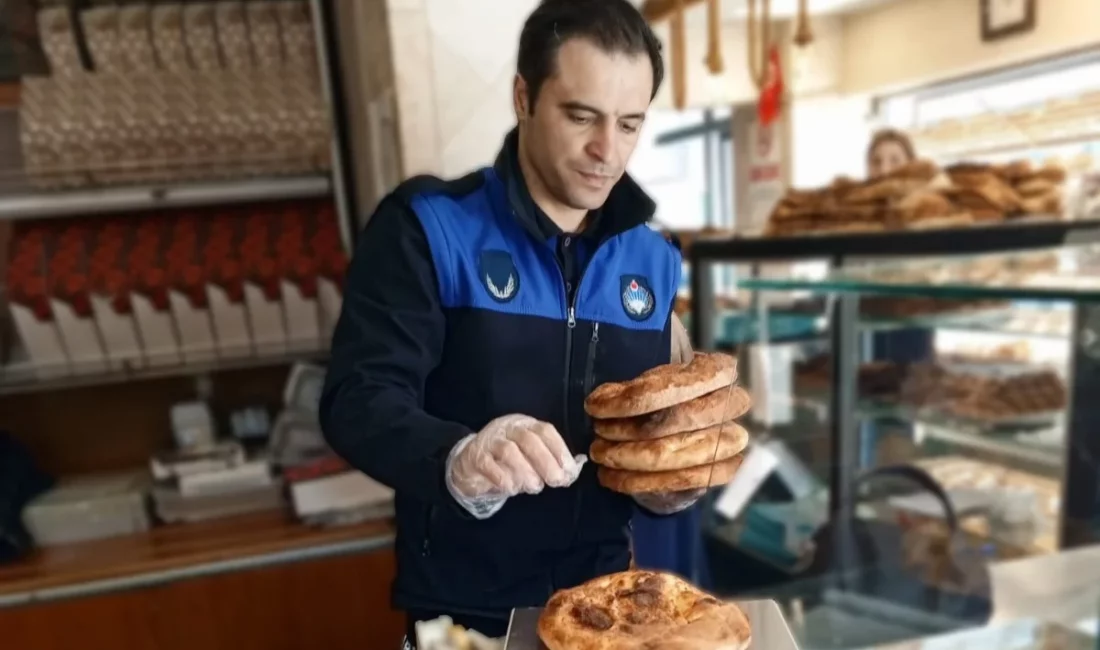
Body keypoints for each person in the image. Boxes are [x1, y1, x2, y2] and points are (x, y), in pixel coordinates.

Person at [320, 0, 701, 643]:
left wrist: (666, 480)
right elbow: (356, 401)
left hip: (608, 610)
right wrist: (459, 457)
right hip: (466, 614)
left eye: (629, 123)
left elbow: (649, 430)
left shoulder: (654, 260)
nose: (607, 151)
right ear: (524, 97)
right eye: (580, 116)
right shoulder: (429, 227)